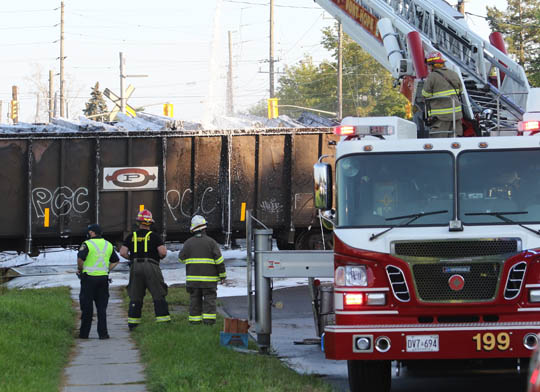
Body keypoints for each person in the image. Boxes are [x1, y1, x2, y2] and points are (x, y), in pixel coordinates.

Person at [120, 209, 171, 330]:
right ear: (150, 223)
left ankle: (133, 324)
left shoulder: (131, 236)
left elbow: (122, 252)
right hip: (151, 265)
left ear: (139, 222)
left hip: (135, 266)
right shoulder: (154, 236)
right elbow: (163, 252)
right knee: (158, 293)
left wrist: (132, 257)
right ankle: (163, 323)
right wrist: (158, 257)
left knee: (135, 295)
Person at [178, 215, 226, 325]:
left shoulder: (188, 243)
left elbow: (181, 259)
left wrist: (192, 263)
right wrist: (222, 276)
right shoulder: (211, 242)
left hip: (193, 281)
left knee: (194, 301)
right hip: (209, 281)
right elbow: (219, 261)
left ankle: (195, 323)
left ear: (193, 229)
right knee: (209, 301)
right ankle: (209, 323)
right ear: (204, 227)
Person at [77, 223, 119, 339]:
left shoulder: (87, 244)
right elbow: (116, 261)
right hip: (103, 279)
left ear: (92, 233)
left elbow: (80, 259)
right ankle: (103, 334)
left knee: (87, 308)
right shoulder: (108, 245)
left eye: (88, 231)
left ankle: (84, 334)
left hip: (89, 279)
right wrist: (106, 270)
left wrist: (81, 269)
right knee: (102, 308)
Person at [422, 51, 463, 137]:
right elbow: (460, 90)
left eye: (429, 65)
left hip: (441, 117)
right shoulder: (454, 74)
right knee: (455, 142)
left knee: (440, 143)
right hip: (456, 115)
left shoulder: (432, 76)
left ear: (432, 65)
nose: (428, 67)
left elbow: (425, 94)